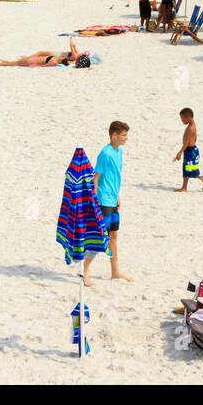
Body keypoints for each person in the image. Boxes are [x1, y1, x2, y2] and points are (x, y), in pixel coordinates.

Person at [83, 121, 131, 286]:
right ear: (114, 135)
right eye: (124, 135)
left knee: (114, 236)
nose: (126, 138)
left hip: (113, 199)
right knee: (99, 237)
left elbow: (114, 177)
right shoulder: (106, 154)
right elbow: (95, 178)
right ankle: (85, 272)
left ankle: (115, 271)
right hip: (103, 201)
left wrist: (117, 195)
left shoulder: (119, 152)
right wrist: (95, 202)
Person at [173, 107, 203, 192]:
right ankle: (184, 187)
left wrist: (180, 152)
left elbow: (186, 143)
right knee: (186, 169)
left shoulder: (190, 128)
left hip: (190, 151)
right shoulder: (192, 125)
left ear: (188, 117)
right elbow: (195, 137)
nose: (182, 121)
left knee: (192, 170)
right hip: (190, 150)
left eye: (182, 119)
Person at [0, 38, 87, 67]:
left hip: (34, 61)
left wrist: (71, 40)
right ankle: (3, 62)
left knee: (16, 63)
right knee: (18, 62)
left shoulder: (55, 61)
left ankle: (2, 63)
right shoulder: (55, 61)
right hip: (35, 60)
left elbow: (43, 66)